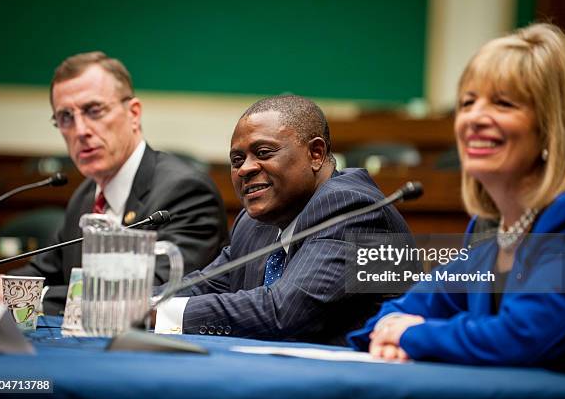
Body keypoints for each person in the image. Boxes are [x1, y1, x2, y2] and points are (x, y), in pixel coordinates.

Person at [347, 23, 565, 374]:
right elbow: (397, 311)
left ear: (550, 127)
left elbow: (524, 337)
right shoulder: (490, 230)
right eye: (467, 102)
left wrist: (413, 336)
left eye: (503, 103)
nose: (475, 118)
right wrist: (392, 334)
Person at [154, 94, 414, 345]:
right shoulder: (254, 222)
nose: (245, 168)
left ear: (315, 154)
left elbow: (282, 312)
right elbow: (203, 286)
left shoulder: (353, 208)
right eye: (237, 160)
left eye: (264, 152)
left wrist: (158, 313)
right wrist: (133, 304)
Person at [0, 52, 229, 315]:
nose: (81, 130)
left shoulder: (186, 191)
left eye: (94, 111)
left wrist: (22, 295)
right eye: (66, 117)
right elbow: (45, 272)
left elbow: (151, 294)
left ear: (133, 113)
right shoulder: (86, 195)